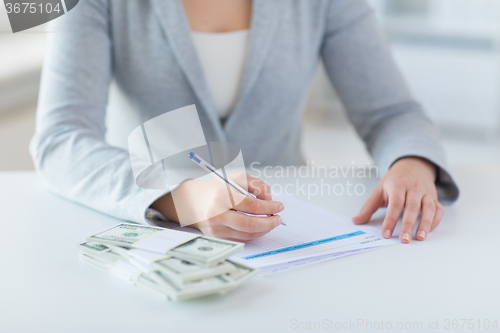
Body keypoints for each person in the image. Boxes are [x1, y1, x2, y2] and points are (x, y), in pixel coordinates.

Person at [30, 0, 459, 244]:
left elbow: (392, 113)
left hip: (291, 238)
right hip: (154, 237)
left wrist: (411, 162)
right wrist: (177, 199)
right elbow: (61, 137)